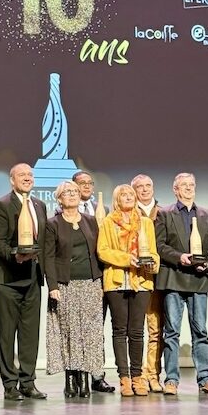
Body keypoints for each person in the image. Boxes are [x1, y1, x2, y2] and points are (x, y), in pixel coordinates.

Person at [155, 172, 208, 395]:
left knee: (200, 331)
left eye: (192, 185)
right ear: (175, 190)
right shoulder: (164, 213)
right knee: (172, 332)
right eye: (184, 185)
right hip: (174, 278)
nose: (188, 188)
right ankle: (172, 380)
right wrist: (179, 257)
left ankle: (205, 379)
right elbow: (160, 245)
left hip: (199, 280)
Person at [0, 163, 48, 400]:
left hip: (32, 278)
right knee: (7, 334)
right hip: (7, 280)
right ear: (12, 180)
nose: (27, 178)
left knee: (30, 334)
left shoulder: (40, 206)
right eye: (22, 175)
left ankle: (28, 382)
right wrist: (15, 255)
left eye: (30, 175)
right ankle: (9, 384)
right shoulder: (1, 205)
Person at [97, 184, 159, 397]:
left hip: (141, 281)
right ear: (116, 200)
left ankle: (137, 376)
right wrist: (127, 260)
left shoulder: (145, 223)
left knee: (137, 331)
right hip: (116, 282)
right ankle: (124, 377)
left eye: (131, 194)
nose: (129, 197)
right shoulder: (108, 222)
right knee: (119, 330)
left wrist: (153, 264)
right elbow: (102, 251)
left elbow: (153, 252)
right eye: (124, 195)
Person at [45, 180, 104, 397]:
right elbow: (48, 257)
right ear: (59, 199)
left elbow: (98, 253)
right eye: (67, 192)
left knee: (89, 333)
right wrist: (52, 286)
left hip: (90, 283)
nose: (72, 195)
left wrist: (102, 282)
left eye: (75, 192)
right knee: (69, 332)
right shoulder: (53, 224)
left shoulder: (90, 221)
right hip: (65, 284)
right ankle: (70, 378)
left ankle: (85, 379)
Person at [73, 168, 114, 392]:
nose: (87, 186)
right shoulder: (66, 211)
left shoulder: (104, 210)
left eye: (90, 183)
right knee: (78, 329)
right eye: (82, 183)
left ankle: (98, 376)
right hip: (78, 277)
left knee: (97, 328)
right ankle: (78, 376)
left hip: (101, 277)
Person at [132, 173, 164, 392]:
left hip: (157, 278)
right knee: (134, 330)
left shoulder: (164, 213)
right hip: (133, 278)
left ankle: (152, 374)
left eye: (148, 185)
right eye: (140, 187)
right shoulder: (126, 213)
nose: (144, 190)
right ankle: (136, 376)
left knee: (155, 329)